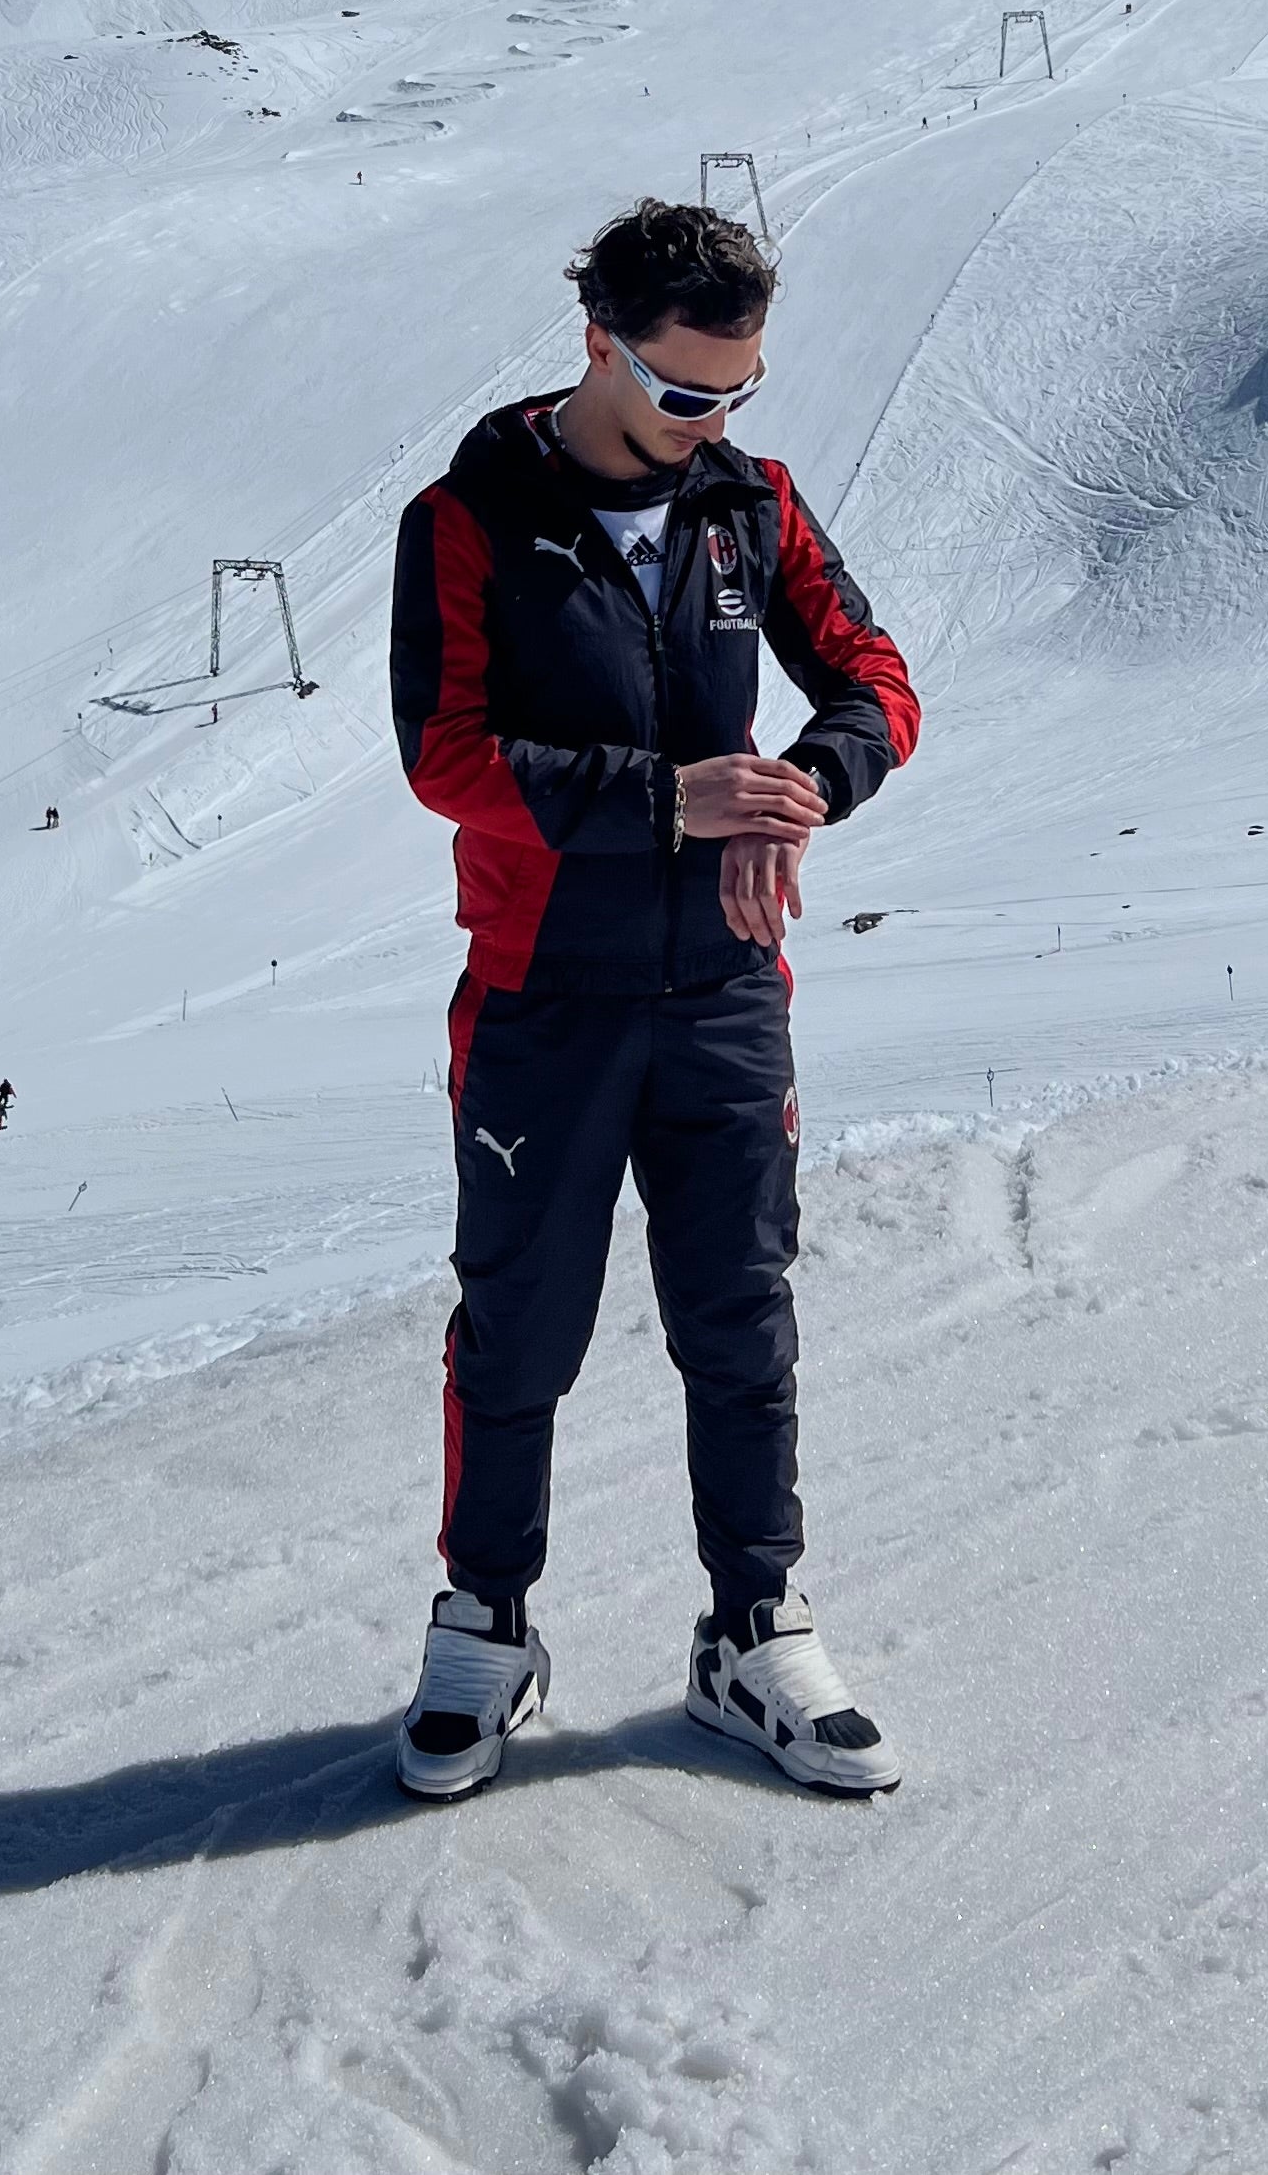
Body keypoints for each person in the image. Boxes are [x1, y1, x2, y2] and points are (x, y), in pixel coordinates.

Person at [388, 200, 919, 1800]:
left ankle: (754, 1632)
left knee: (740, 1314)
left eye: (741, 390)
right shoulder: (470, 517)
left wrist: (803, 789)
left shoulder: (748, 506)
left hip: (725, 992)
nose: (714, 422)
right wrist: (665, 801)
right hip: (545, 991)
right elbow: (444, 756)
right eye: (687, 392)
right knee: (519, 1327)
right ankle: (486, 1625)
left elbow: (876, 680)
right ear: (600, 347)